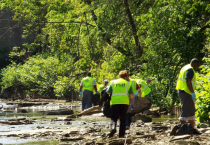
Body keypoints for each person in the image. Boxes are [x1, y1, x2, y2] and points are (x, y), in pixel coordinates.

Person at [176, 58, 201, 134]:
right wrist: (192, 92)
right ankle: (183, 129)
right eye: (198, 66)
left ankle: (192, 128)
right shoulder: (190, 70)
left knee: (191, 110)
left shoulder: (185, 67)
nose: (197, 67)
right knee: (186, 110)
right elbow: (188, 81)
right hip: (186, 92)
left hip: (185, 92)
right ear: (195, 64)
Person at [106, 71, 134, 138]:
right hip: (124, 103)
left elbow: (108, 92)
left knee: (114, 117)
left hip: (114, 102)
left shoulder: (113, 82)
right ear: (126, 77)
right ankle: (121, 135)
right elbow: (132, 96)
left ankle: (113, 128)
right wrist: (132, 103)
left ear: (119, 76)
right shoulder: (128, 83)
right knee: (123, 118)